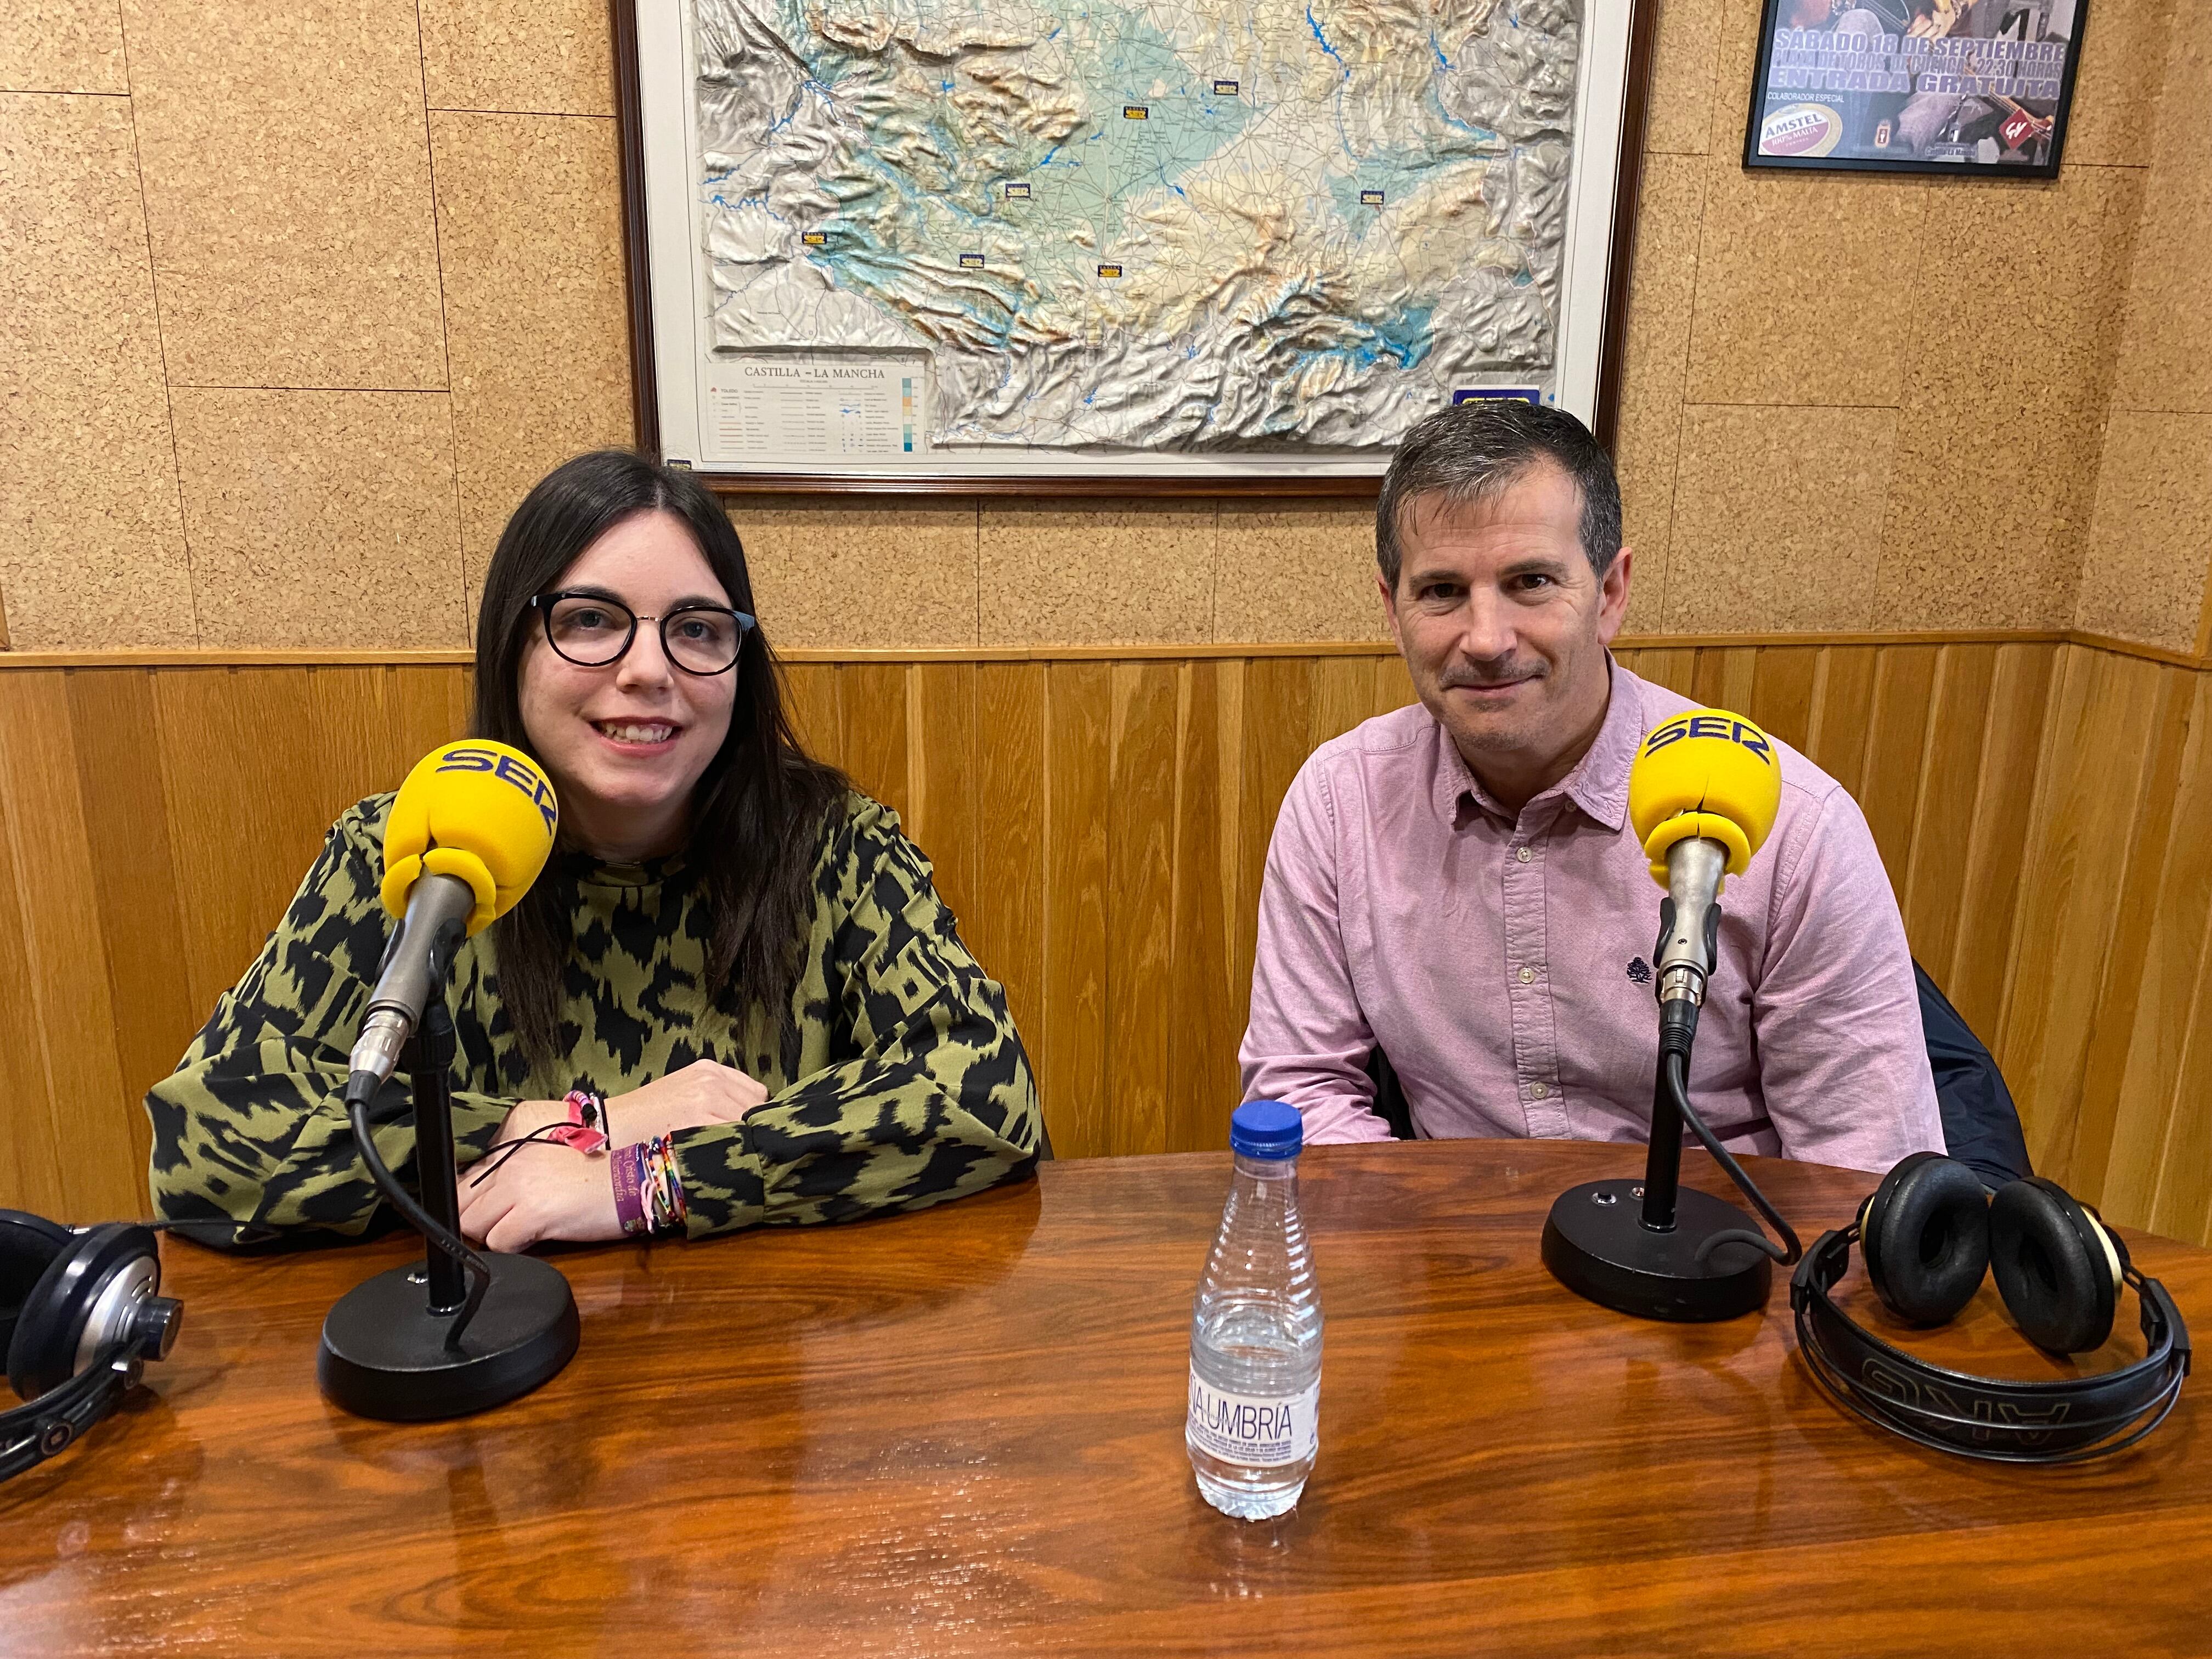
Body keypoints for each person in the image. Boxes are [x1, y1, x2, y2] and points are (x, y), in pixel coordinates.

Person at [148, 450, 1042, 1249]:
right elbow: (207, 1134)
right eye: (589, 620)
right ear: (512, 645)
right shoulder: (409, 850)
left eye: (696, 629)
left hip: (765, 1362)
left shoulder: (833, 844)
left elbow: (984, 1091)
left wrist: (644, 1183)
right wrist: (576, 1124)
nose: (649, 669)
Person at [1239, 400, 1944, 1173]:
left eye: (1531, 582)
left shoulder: (1796, 828)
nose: (1486, 639)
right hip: (1449, 1256)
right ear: (1392, 609)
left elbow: (1862, 1168)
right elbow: (1301, 1087)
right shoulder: (1341, 803)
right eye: (1441, 591)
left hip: (1722, 1262)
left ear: (1611, 592)